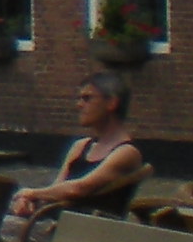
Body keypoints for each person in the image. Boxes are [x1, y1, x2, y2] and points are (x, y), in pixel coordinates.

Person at [10, 72, 147, 221]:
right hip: (58, 223)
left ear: (112, 103)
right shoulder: (80, 146)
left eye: (87, 98)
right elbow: (56, 189)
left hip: (90, 230)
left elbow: (78, 189)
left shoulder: (126, 153)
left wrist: (31, 193)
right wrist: (28, 201)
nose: (79, 105)